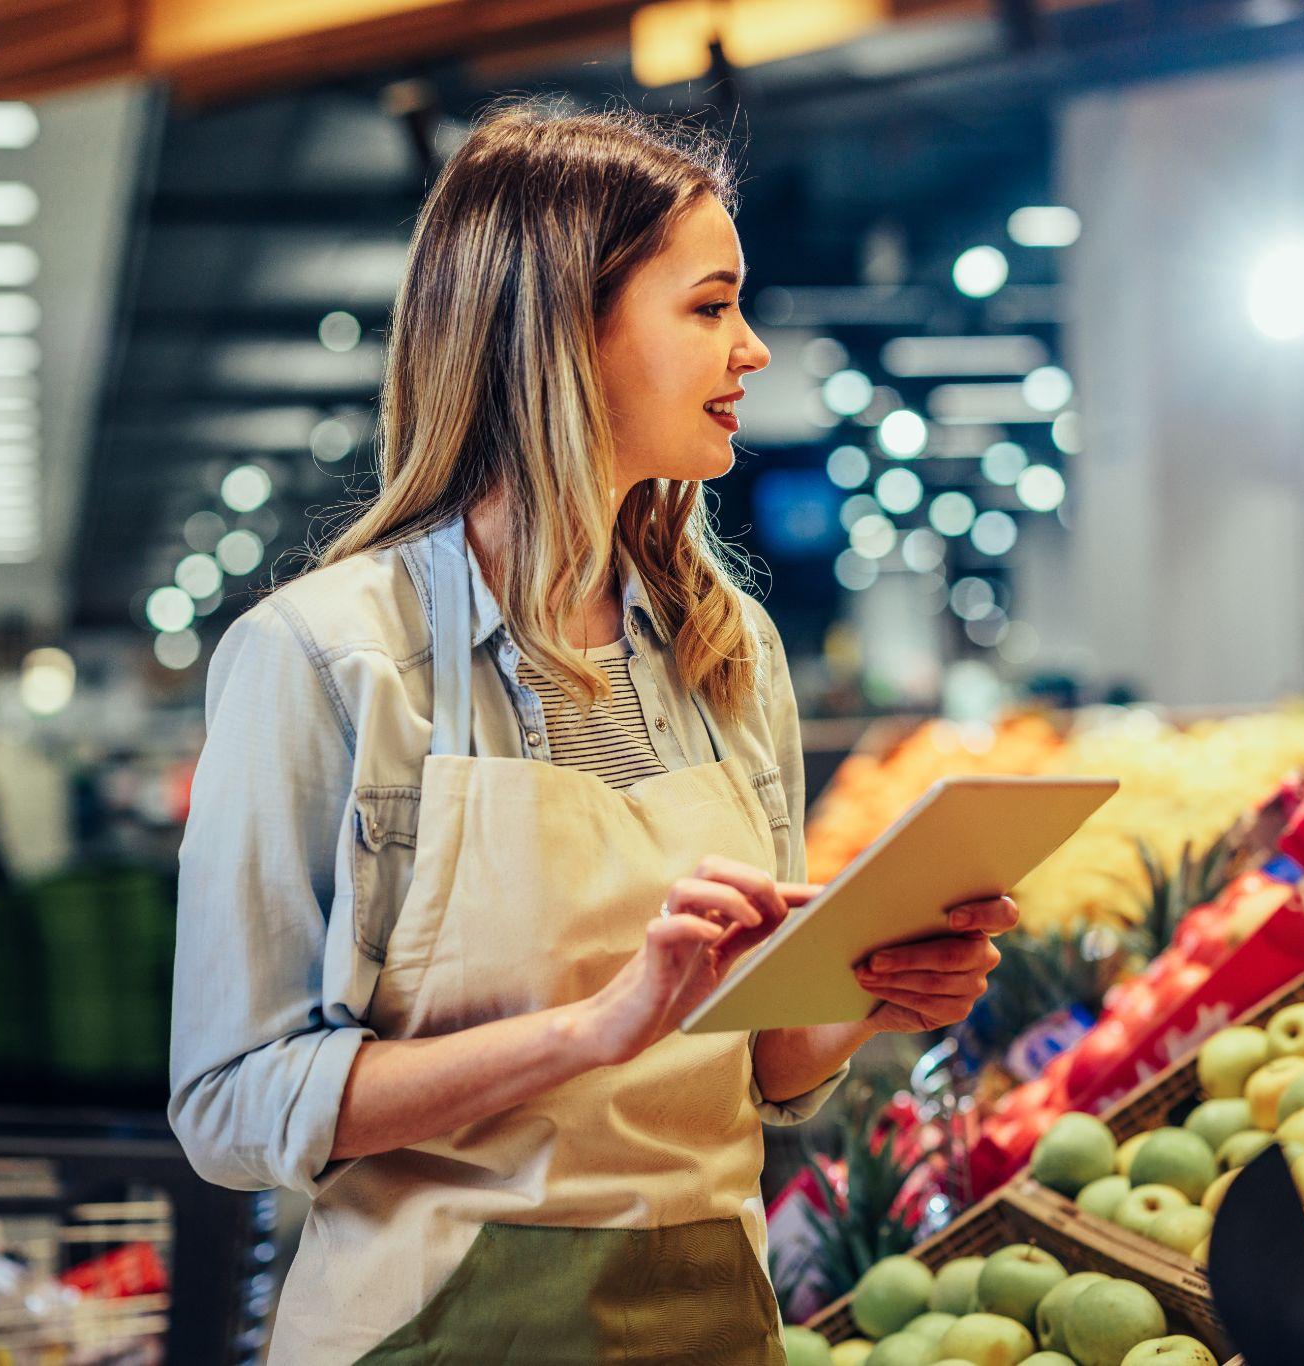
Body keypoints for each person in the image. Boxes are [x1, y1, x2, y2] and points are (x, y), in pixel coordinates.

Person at [168, 97, 1019, 1363]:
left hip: (711, 1325)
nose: (753, 350)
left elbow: (765, 1068)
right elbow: (230, 1105)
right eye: (709, 304)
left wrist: (867, 991)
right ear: (567, 326)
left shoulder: (724, 650)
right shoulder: (326, 659)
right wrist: (589, 1030)